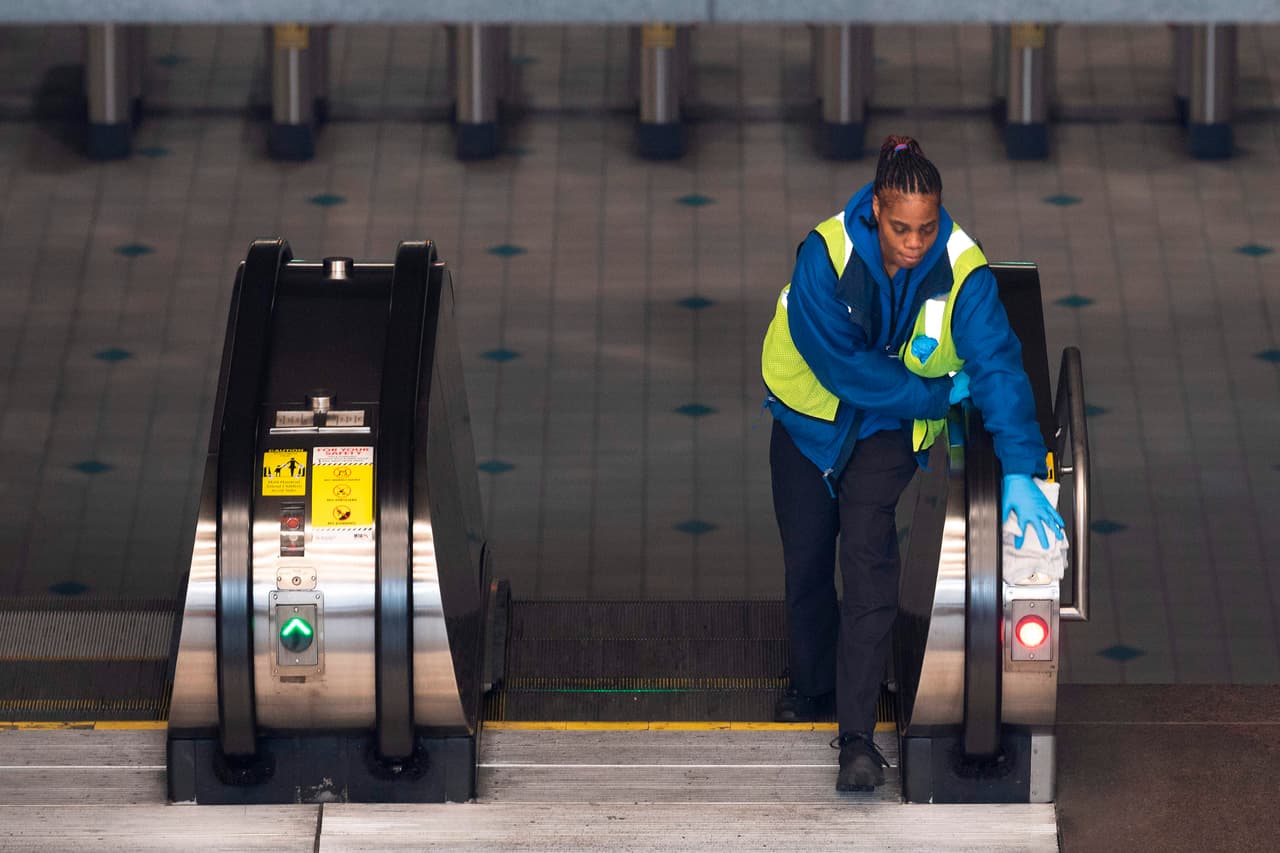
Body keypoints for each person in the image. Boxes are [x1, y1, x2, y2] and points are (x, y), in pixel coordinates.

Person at [760, 134, 1064, 792]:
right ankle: (812, 686)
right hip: (809, 428)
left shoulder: (963, 269)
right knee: (809, 563)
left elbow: (999, 368)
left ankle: (857, 738)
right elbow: (842, 366)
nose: (916, 243)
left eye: (928, 228)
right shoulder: (827, 253)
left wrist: (1018, 467)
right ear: (876, 209)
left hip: (888, 438)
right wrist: (931, 392)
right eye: (902, 228)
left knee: (869, 573)